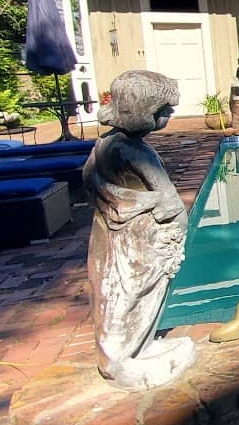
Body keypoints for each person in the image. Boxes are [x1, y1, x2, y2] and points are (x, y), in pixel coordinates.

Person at [84, 70, 196, 389]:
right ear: (142, 111)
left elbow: (87, 180)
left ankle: (134, 348)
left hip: (113, 233)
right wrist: (175, 222)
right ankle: (122, 360)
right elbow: (169, 200)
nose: (169, 116)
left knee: (115, 291)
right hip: (141, 238)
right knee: (135, 292)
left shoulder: (106, 143)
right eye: (164, 111)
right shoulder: (134, 151)